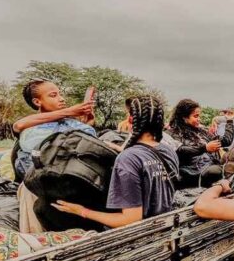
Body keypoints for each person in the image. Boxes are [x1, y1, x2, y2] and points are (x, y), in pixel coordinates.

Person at [52, 94, 179, 227]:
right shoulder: (168, 150)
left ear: (131, 120)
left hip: (142, 235)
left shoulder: (128, 159)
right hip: (165, 226)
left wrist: (81, 211)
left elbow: (130, 220)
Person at [12, 79, 96, 179]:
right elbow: (18, 125)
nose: (61, 99)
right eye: (53, 95)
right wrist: (69, 111)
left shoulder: (69, 122)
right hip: (43, 179)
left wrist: (88, 124)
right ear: (37, 102)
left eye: (60, 94)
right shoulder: (31, 125)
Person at [169, 98, 234, 187]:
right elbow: (180, 151)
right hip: (190, 175)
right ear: (184, 117)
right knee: (215, 171)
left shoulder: (201, 131)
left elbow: (226, 141)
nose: (199, 119)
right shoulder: (172, 133)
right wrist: (205, 148)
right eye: (196, 116)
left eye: (199, 116)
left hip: (210, 170)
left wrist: (229, 121)